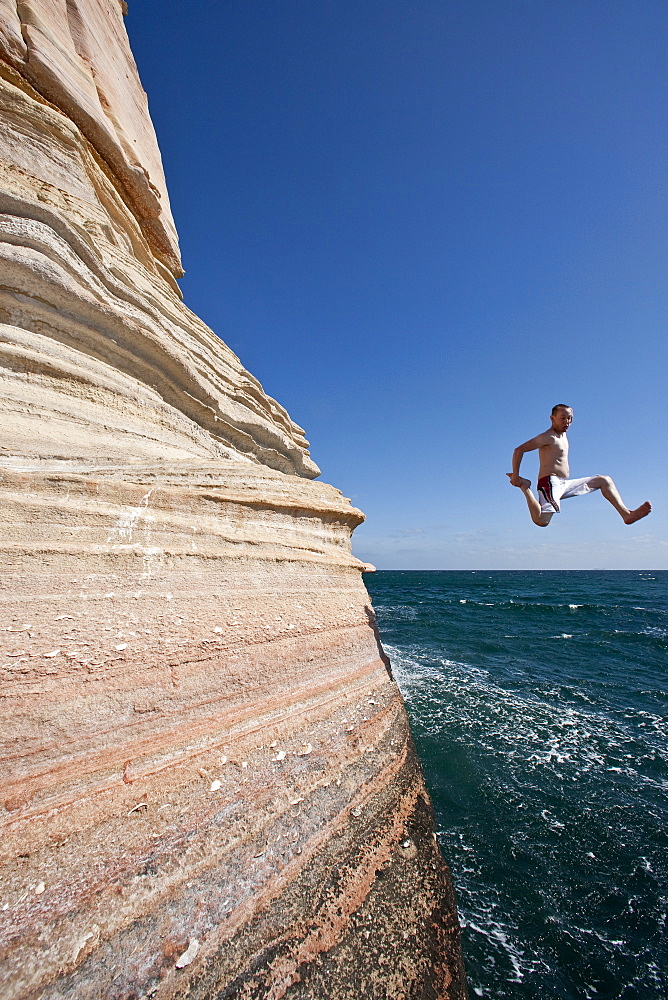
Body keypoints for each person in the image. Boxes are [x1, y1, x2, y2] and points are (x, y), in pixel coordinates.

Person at [507, 404, 652, 527]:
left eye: (570, 418)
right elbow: (519, 450)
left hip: (564, 483)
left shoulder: (563, 436)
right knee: (541, 521)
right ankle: (525, 487)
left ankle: (626, 515)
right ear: (552, 419)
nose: (567, 422)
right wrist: (515, 475)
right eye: (563, 418)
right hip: (550, 483)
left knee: (604, 480)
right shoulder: (548, 437)